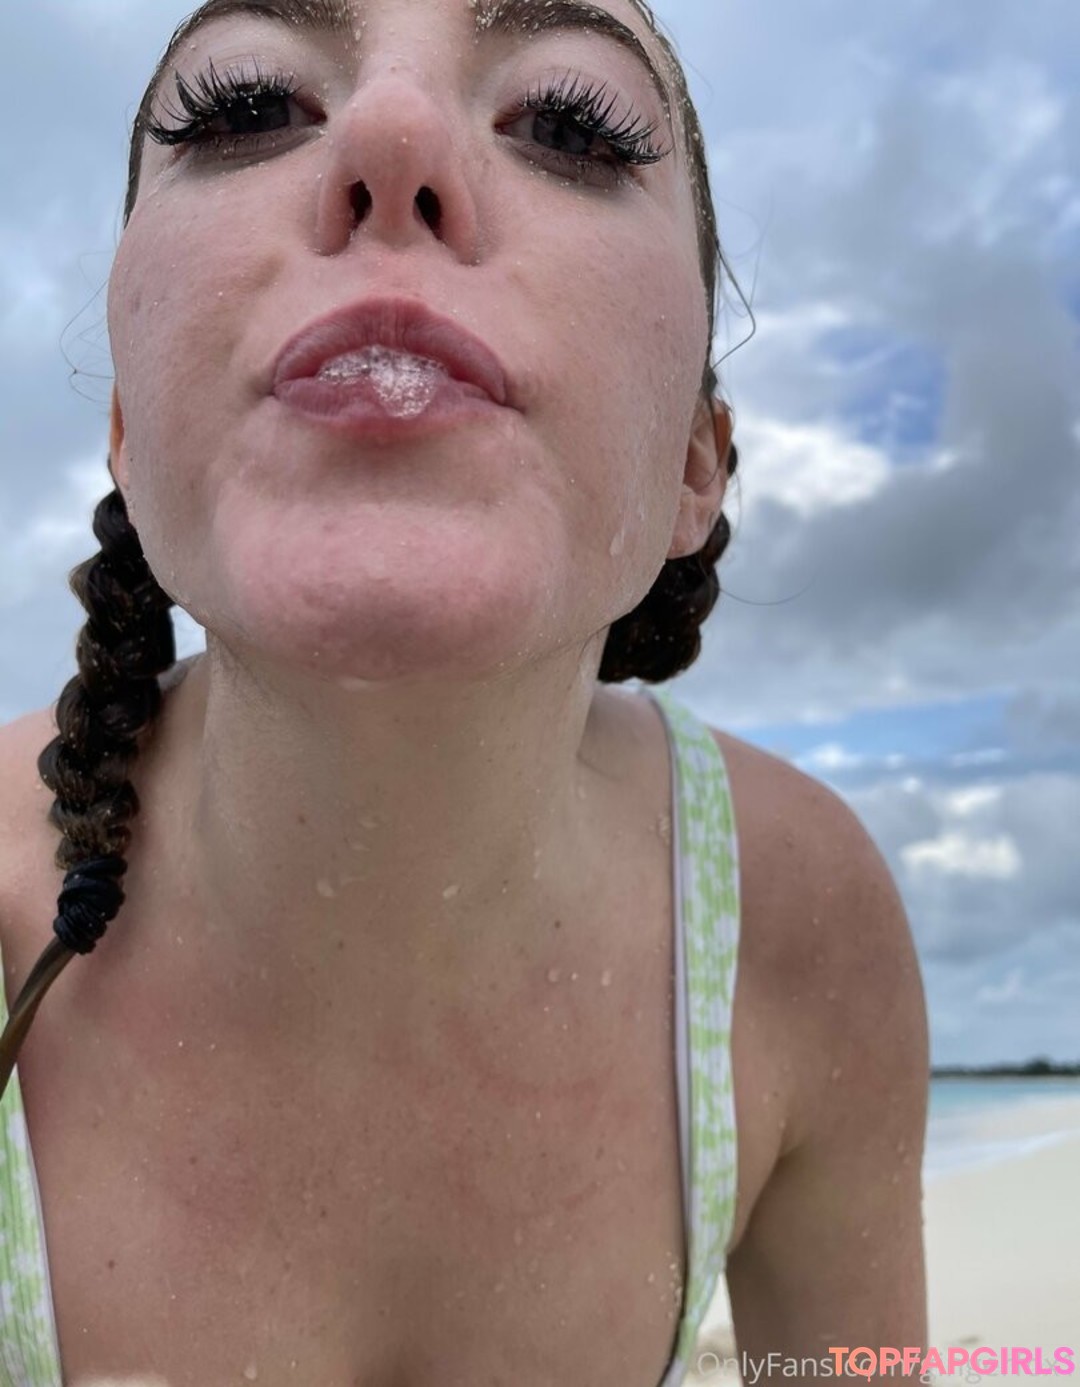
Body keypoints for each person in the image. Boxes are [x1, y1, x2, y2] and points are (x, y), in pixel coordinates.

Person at [0, 0, 930, 1382]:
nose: (391, 137)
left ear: (695, 460)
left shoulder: (801, 925)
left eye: (570, 122)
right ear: (129, 437)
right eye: (247, 105)